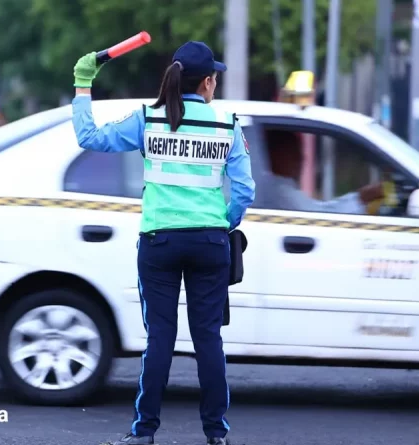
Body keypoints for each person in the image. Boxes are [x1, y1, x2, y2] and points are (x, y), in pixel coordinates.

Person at [71, 41, 255, 445]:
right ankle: (215, 433)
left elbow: (89, 137)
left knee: (160, 340)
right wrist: (223, 224)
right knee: (208, 339)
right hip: (209, 242)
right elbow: (244, 190)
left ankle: (144, 432)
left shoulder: (148, 119)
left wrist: (84, 85)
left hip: (159, 242)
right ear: (207, 82)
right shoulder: (227, 124)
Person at [264, 130, 383, 213]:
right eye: (293, 152)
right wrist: (360, 199)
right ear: (275, 154)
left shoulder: (276, 187)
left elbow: (320, 209)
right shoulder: (280, 192)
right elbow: (322, 216)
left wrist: (360, 197)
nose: (301, 159)